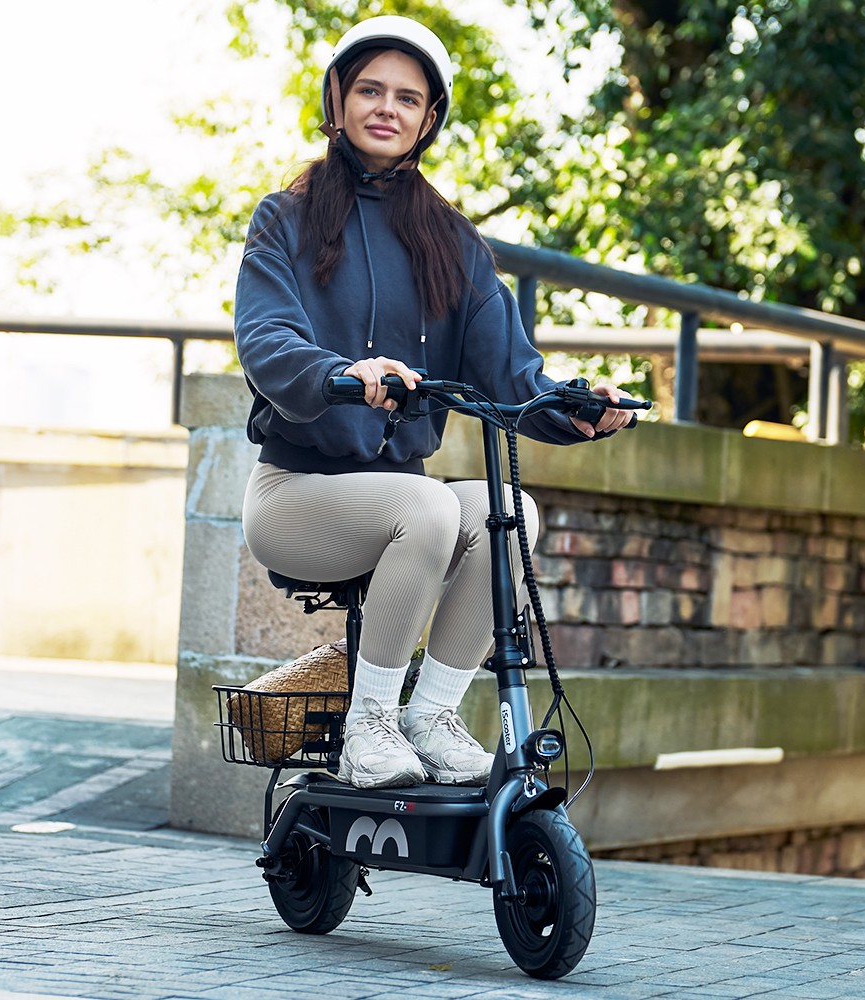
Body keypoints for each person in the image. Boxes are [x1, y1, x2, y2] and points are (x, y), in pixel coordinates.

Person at [235, 15, 635, 790]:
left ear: (429, 117)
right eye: (370, 90)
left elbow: (514, 377)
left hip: (402, 494)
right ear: (339, 101)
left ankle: (431, 715)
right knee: (427, 509)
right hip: (294, 493)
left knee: (511, 512)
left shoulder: (452, 241)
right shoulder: (285, 217)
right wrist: (341, 373)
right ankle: (371, 726)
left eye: (408, 98)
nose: (387, 108)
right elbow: (268, 343)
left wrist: (583, 406)